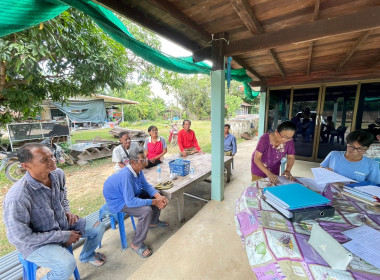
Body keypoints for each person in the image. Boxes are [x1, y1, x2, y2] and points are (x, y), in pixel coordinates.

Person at [3, 143, 106, 280]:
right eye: (44, 160)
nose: (52, 161)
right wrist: (63, 236)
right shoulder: (18, 197)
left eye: (52, 156)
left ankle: (86, 255)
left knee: (98, 227)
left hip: (62, 224)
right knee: (66, 264)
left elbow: (63, 197)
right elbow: (20, 237)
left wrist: (66, 211)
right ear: (26, 166)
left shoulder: (57, 174)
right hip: (36, 244)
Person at [103, 147, 169, 258]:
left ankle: (153, 222)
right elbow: (131, 202)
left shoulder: (138, 170)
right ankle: (136, 243)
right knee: (146, 211)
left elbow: (146, 185)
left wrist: (159, 197)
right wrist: (154, 202)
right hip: (118, 201)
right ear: (133, 162)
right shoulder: (126, 175)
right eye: (143, 160)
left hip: (129, 195)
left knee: (156, 192)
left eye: (145, 158)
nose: (146, 161)